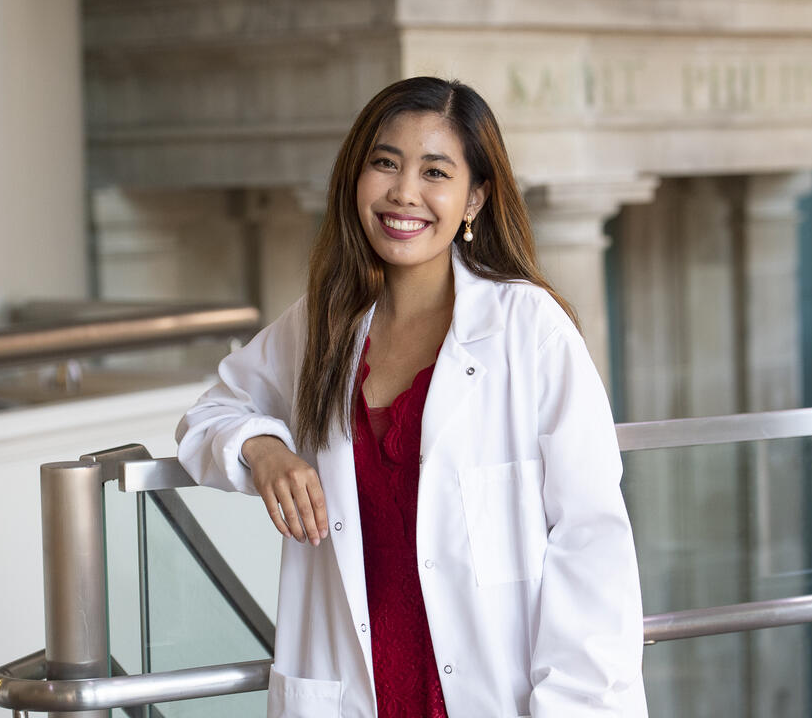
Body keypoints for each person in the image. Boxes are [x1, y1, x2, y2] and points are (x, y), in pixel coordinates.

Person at [176, 76, 647, 718]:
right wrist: (263, 449)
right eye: (385, 164)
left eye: (435, 171)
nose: (404, 193)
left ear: (475, 198)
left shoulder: (528, 328)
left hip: (499, 695)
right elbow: (210, 414)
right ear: (355, 178)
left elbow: (590, 540)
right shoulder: (323, 325)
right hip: (357, 692)